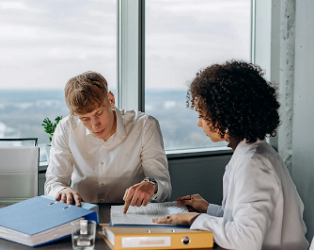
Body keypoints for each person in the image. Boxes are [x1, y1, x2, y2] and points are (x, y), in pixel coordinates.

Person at [153, 60, 309, 250]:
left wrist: (194, 218)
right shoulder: (258, 152)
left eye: (202, 116)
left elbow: (246, 240)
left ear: (226, 116)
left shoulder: (253, 164)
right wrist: (209, 209)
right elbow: (245, 220)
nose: (199, 124)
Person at [44, 71, 171, 212]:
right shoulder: (66, 128)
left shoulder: (145, 126)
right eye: (85, 119)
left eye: (98, 113)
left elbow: (164, 185)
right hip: (81, 215)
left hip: (129, 215)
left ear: (111, 99)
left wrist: (152, 185)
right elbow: (53, 182)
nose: (95, 125)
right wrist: (61, 190)